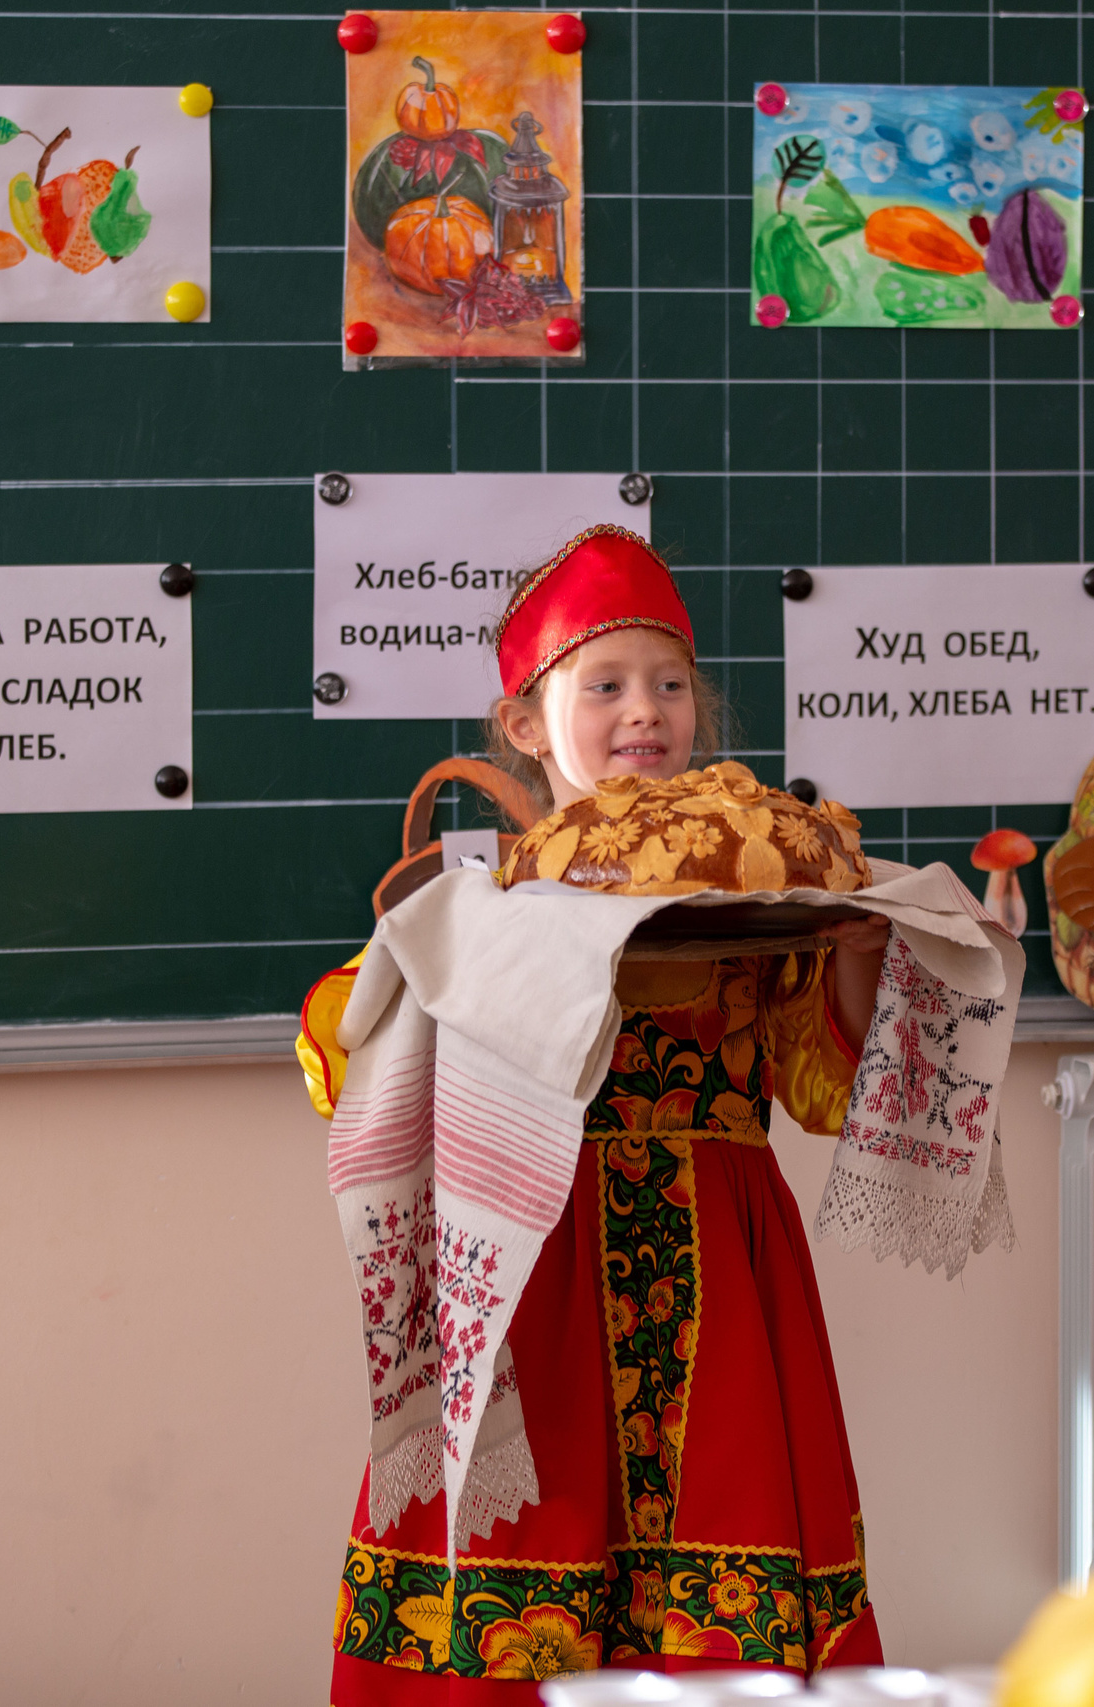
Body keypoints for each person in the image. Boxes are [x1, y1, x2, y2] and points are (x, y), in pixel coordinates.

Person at [302, 525, 897, 1702]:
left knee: (723, 1582)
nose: (647, 712)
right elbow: (342, 1047)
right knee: (532, 1558)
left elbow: (827, 1093)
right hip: (534, 1262)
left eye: (671, 685)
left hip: (723, 1278)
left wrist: (859, 943)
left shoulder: (754, 886)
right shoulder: (493, 902)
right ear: (526, 724)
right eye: (608, 685)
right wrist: (417, 976)